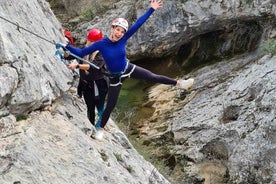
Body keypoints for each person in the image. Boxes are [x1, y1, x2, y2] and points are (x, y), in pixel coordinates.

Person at [63, 0, 194, 140]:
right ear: (112, 28)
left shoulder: (123, 39)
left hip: (128, 68)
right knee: (111, 105)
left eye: (122, 31)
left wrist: (151, 9)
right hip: (115, 77)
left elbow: (138, 24)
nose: (119, 33)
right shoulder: (102, 44)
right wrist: (67, 46)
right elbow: (82, 52)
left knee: (152, 76)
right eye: (117, 29)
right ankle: (100, 129)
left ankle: (180, 84)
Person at [66, 29, 108, 129]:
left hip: (99, 84)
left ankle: (99, 126)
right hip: (86, 83)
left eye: (91, 41)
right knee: (90, 107)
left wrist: (77, 66)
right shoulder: (85, 50)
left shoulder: (102, 53)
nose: (88, 43)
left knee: (100, 106)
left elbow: (92, 67)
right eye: (88, 40)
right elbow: (72, 55)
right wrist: (65, 53)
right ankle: (91, 126)